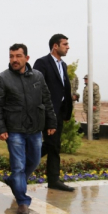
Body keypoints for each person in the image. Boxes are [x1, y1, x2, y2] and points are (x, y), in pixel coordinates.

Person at [0, 43, 57, 214]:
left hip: (35, 128)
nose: (14, 60)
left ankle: (14, 181)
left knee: (34, 161)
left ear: (27, 58)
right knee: (18, 166)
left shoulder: (38, 76)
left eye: (18, 56)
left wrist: (51, 123)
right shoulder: (2, 79)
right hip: (14, 130)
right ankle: (22, 201)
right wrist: (0, 128)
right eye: (11, 56)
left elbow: (47, 100)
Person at [33, 34, 75, 192]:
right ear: (55, 46)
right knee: (51, 144)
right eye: (65, 44)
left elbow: (64, 89)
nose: (68, 47)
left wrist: (65, 112)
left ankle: (53, 180)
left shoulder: (63, 65)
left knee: (54, 145)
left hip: (59, 113)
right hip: (46, 112)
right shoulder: (42, 63)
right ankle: (24, 163)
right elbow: (36, 87)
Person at [83, 74, 101, 140]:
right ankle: (91, 134)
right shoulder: (86, 87)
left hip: (94, 108)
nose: (85, 80)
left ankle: (96, 135)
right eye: (85, 79)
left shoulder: (94, 86)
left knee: (95, 121)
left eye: (86, 79)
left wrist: (95, 105)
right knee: (90, 121)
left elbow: (97, 96)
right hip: (88, 108)